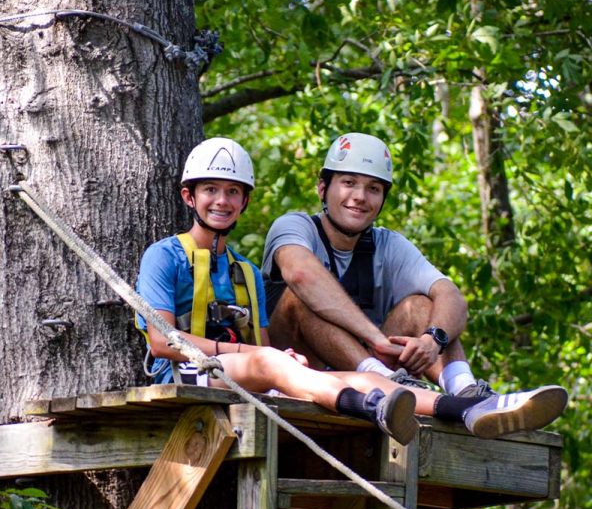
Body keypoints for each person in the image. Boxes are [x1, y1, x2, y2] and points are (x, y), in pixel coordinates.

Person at [136, 137, 566, 444]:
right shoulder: (167, 254)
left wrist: (431, 339)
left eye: (232, 192)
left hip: (268, 371)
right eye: (211, 190)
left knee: (387, 343)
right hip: (195, 371)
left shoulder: (243, 270)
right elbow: (162, 341)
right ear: (189, 197)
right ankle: (376, 401)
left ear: (245, 201)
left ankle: (470, 403)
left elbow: (262, 347)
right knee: (290, 339)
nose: (222, 201)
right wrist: (257, 356)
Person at [261, 132, 568, 436]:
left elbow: (451, 297)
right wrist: (375, 341)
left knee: (421, 307)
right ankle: (385, 381)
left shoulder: (387, 244)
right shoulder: (294, 226)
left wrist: (432, 341)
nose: (360, 196)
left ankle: (468, 392)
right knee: (298, 297)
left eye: (373, 188)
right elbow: (301, 274)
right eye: (349, 183)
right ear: (322, 188)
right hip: (296, 374)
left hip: (368, 378)